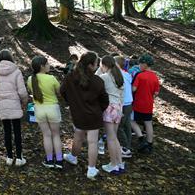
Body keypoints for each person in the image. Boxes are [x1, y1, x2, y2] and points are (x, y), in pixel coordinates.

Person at [60, 51, 109, 180]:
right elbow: (105, 100)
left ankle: (73, 157)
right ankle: (91, 169)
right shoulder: (97, 81)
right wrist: (99, 109)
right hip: (93, 115)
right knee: (92, 142)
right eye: (96, 64)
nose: (97, 66)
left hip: (78, 114)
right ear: (91, 65)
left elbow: (62, 91)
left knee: (78, 137)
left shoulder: (70, 77)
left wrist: (72, 104)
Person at [0, 50, 27, 166]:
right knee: (17, 131)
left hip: (2, 106)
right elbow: (22, 92)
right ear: (11, 58)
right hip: (15, 105)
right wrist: (24, 102)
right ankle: (19, 157)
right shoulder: (17, 72)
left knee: (7, 131)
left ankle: (9, 157)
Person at [28, 56, 63, 169]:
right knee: (56, 135)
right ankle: (59, 160)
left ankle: (49, 160)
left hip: (39, 109)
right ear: (42, 66)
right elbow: (59, 92)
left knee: (46, 135)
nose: (49, 66)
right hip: (52, 108)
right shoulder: (51, 78)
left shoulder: (30, 79)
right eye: (47, 64)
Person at [98, 55, 124, 174]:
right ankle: (119, 163)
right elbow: (122, 96)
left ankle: (113, 165)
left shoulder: (105, 76)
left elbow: (94, 80)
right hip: (118, 108)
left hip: (109, 108)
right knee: (114, 137)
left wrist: (99, 68)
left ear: (104, 65)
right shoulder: (119, 76)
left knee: (110, 138)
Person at [131, 54, 160, 154]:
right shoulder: (155, 77)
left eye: (140, 63)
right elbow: (156, 93)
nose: (139, 65)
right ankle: (149, 143)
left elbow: (133, 89)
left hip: (138, 103)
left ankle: (141, 138)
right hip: (149, 104)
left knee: (131, 120)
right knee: (148, 122)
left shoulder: (139, 75)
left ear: (144, 64)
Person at [115, 56, 133, 159]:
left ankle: (125, 148)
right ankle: (127, 147)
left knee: (119, 127)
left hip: (123, 103)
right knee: (127, 126)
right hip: (129, 103)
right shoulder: (127, 74)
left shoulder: (119, 75)